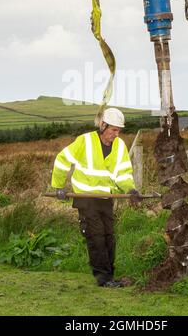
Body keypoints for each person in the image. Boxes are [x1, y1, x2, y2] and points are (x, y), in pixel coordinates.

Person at [51, 108, 141, 288]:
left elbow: (123, 173)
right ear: (103, 125)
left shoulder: (120, 146)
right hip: (85, 197)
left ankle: (109, 275)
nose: (116, 134)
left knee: (109, 236)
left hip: (105, 198)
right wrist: (59, 186)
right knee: (96, 235)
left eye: (119, 130)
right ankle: (103, 278)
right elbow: (62, 159)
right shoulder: (84, 141)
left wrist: (130, 190)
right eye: (113, 129)